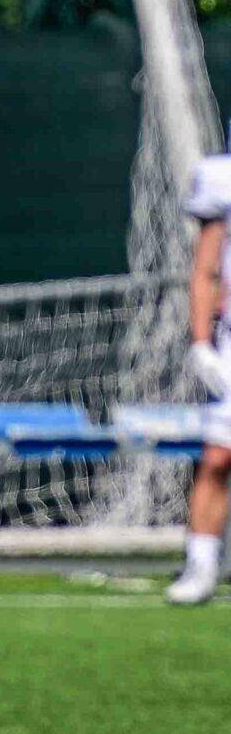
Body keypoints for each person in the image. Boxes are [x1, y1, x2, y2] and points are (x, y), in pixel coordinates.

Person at [168, 155, 231, 603]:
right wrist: (201, 342)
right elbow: (206, 268)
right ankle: (201, 565)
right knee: (218, 457)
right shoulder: (221, 178)